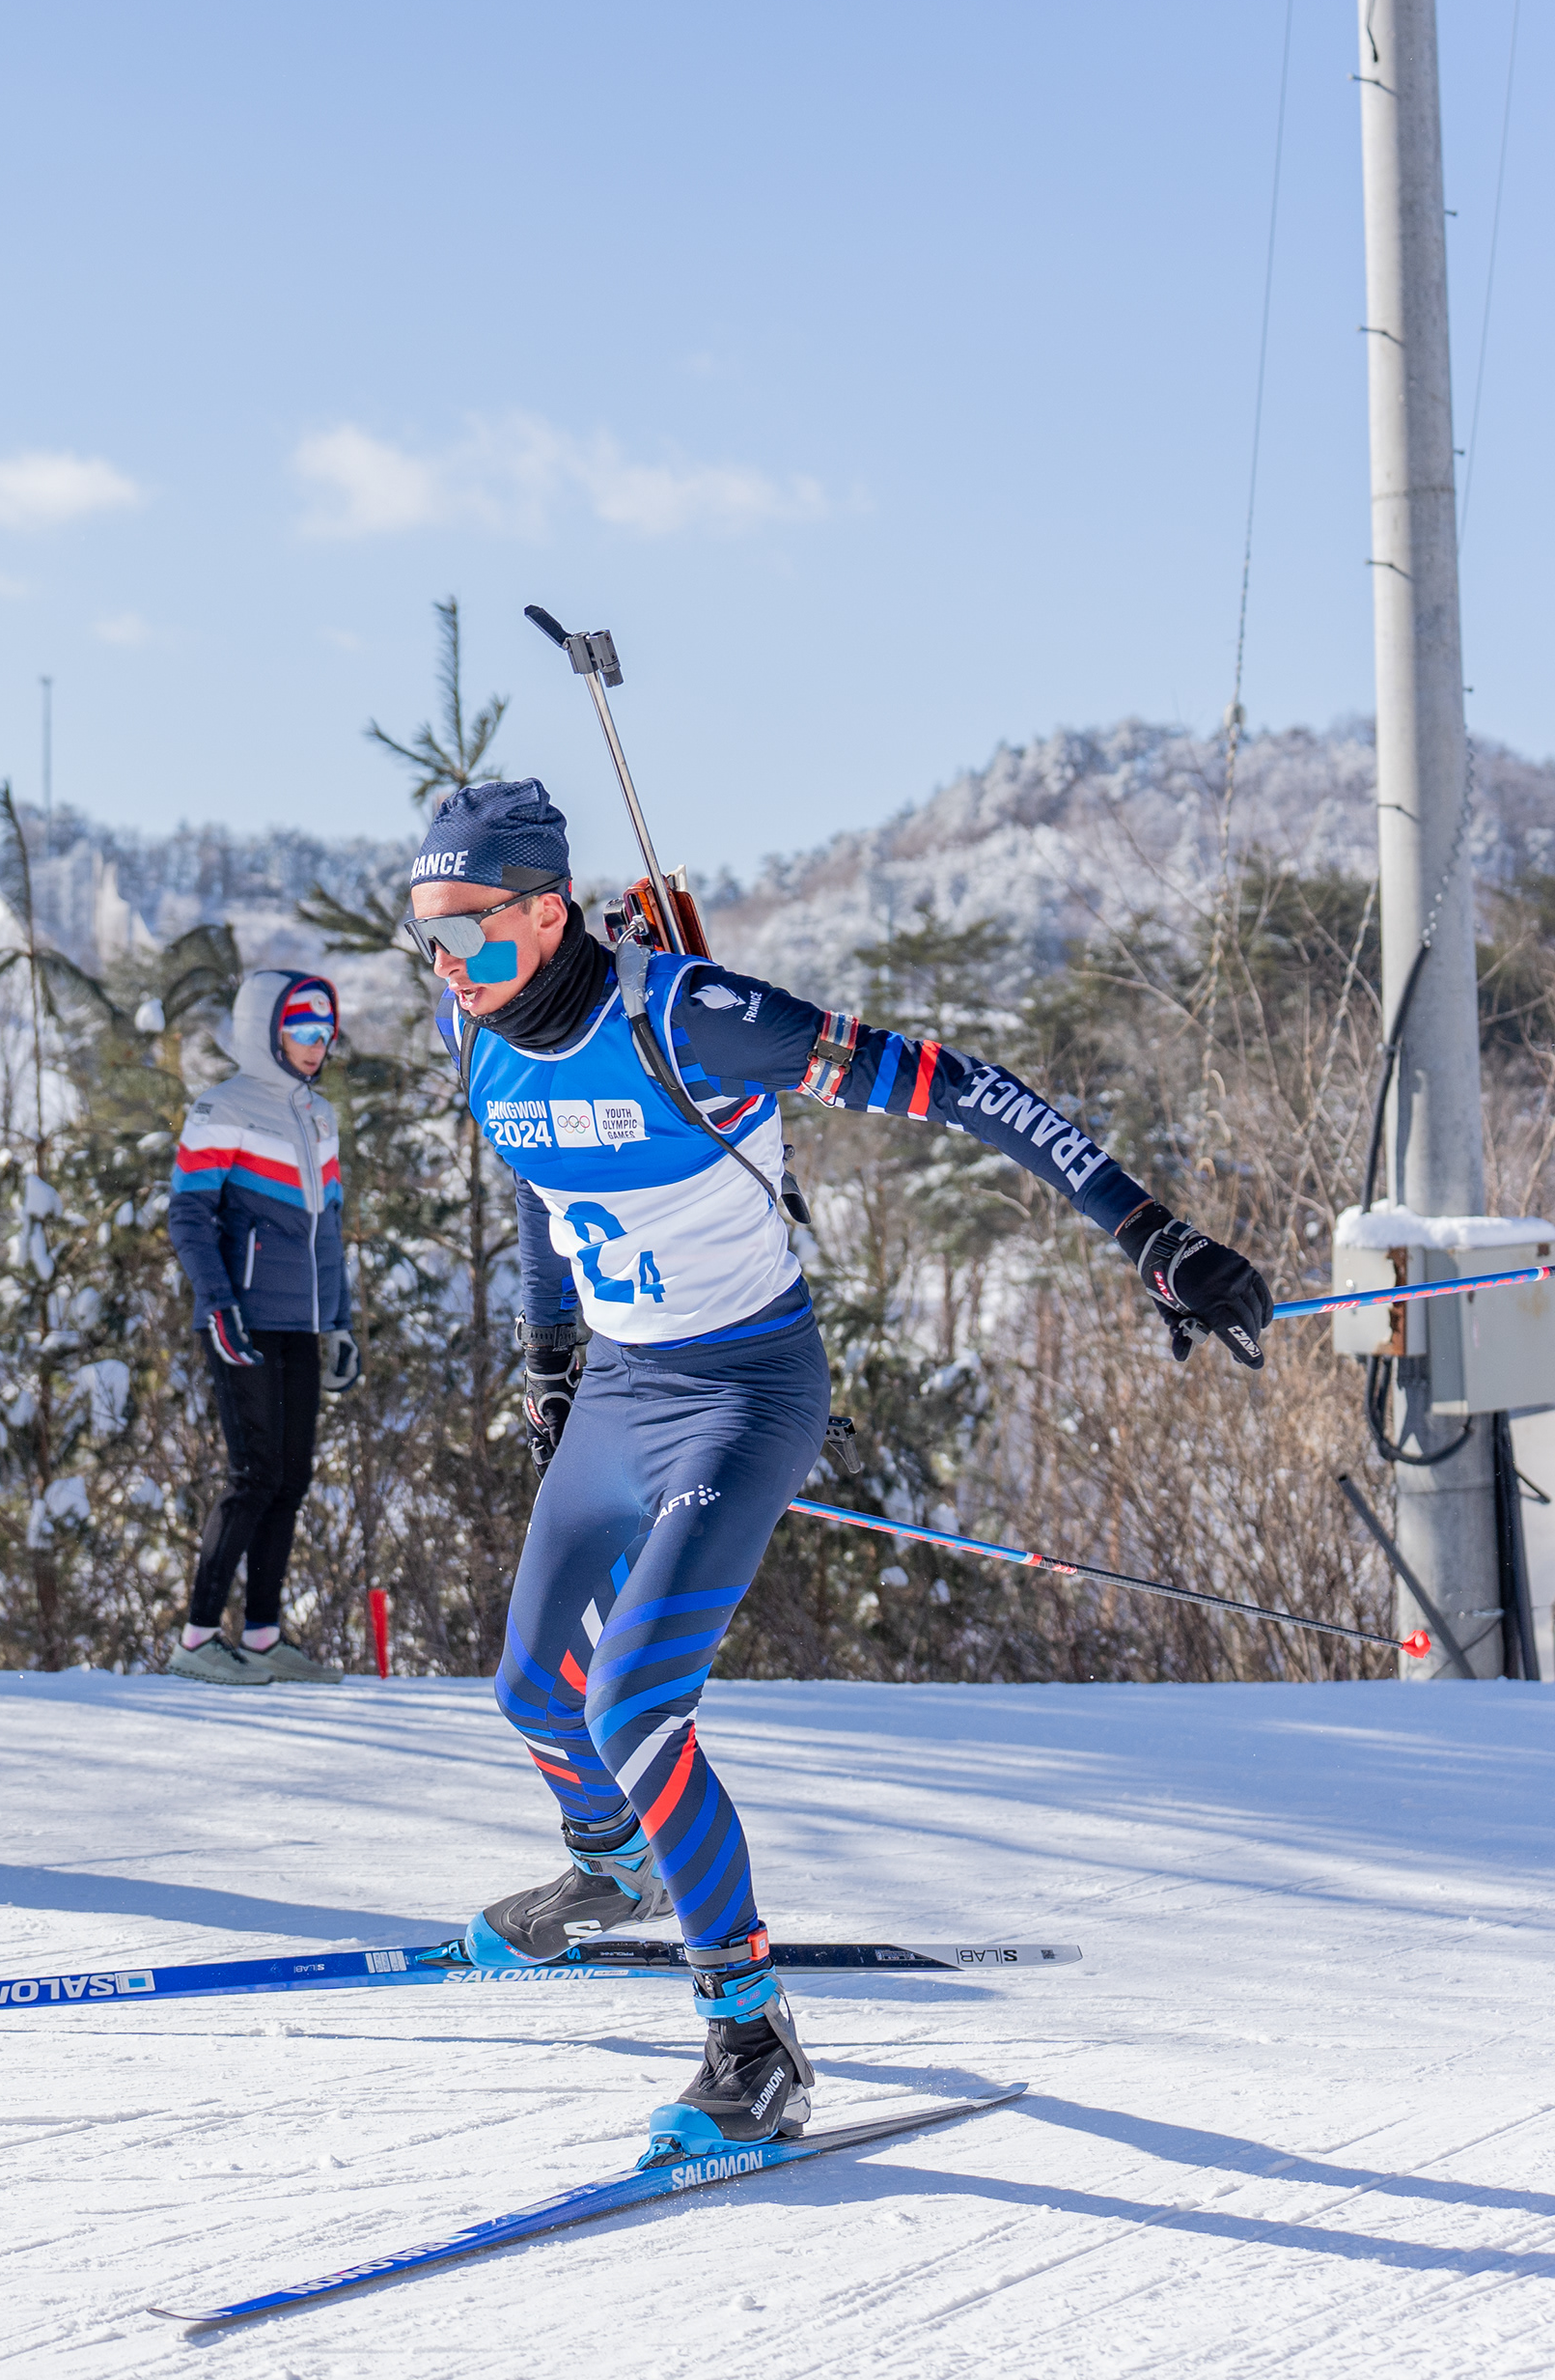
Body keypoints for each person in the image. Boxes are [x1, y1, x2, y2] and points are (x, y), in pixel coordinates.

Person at [403, 779, 1273, 2156]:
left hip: (745, 1392)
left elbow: (964, 1086)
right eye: (427, 935)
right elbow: (536, 1167)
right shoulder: (476, 1025)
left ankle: (754, 2041)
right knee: (531, 1686)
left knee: (635, 1706)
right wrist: (551, 1356)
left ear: (548, 910)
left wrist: (1150, 1233)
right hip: (621, 1387)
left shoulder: (690, 1017)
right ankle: (613, 1869)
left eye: (470, 929)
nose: (448, 963)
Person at [162, 969, 361, 1686]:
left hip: (301, 1322)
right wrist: (218, 1305)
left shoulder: (318, 1116)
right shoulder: (222, 1109)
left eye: (325, 1031)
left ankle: (263, 1634)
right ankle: (195, 1639)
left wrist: (339, 1322)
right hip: (241, 1317)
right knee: (253, 1475)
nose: (317, 1044)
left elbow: (328, 1227)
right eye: (302, 1030)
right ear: (265, 1032)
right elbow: (188, 1214)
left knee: (291, 1477)